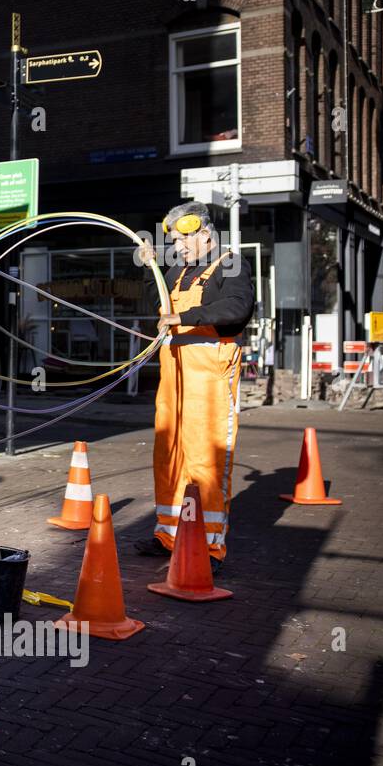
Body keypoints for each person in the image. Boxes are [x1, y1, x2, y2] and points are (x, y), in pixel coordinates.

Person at [135, 201, 255, 572]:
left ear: (204, 234)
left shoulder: (230, 263)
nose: (179, 249)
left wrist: (184, 316)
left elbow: (237, 308)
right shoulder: (177, 269)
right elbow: (155, 305)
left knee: (207, 458)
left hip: (210, 374)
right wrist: (151, 269)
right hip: (174, 374)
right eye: (174, 243)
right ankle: (169, 534)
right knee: (169, 453)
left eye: (184, 242)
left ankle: (209, 546)